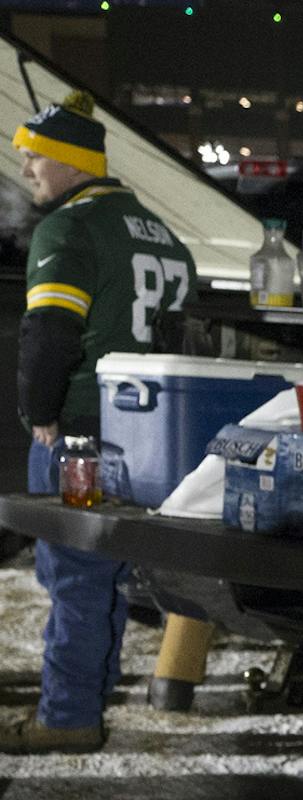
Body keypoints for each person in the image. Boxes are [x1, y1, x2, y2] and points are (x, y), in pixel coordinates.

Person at [5, 91, 194, 754]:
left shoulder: (68, 229)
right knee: (106, 572)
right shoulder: (160, 232)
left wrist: (41, 413)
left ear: (71, 162)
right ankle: (93, 685)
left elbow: (50, 333)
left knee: (74, 575)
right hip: (151, 433)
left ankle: (68, 716)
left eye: (35, 158)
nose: (25, 168)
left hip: (83, 431)